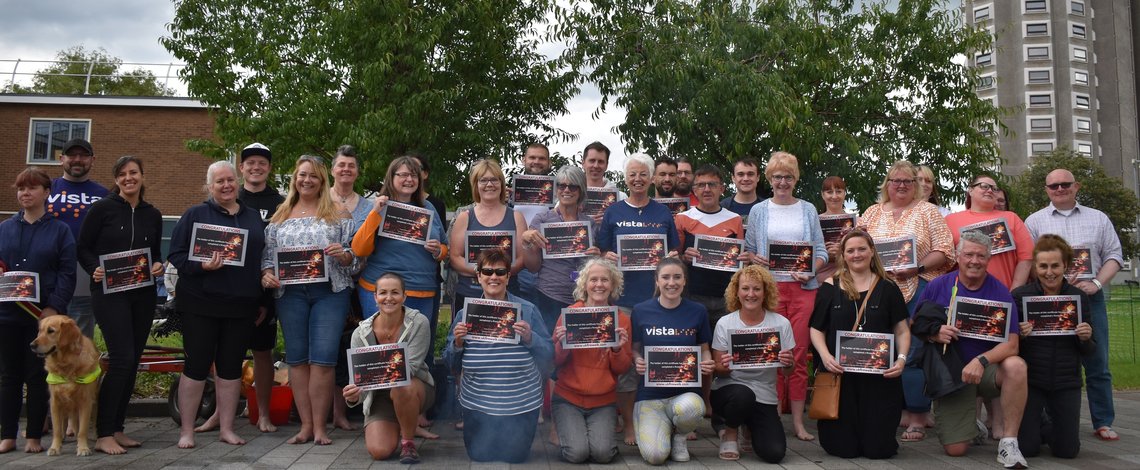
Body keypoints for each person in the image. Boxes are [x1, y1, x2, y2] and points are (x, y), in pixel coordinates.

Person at [168, 161, 267, 449]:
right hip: (201, 303)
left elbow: (258, 261)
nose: (226, 185)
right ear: (209, 186)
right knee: (196, 366)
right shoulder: (195, 214)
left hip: (241, 306)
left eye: (230, 180)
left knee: (231, 368)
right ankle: (187, 430)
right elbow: (176, 255)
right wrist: (202, 267)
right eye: (219, 181)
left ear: (238, 182)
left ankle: (226, 428)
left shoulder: (252, 217)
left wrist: (260, 300)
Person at [260, 155, 357, 446]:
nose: (307, 180)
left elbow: (356, 258)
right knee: (298, 360)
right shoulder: (279, 215)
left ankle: (320, 429)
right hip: (290, 294)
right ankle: (305, 426)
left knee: (323, 361)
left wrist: (345, 255)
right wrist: (266, 275)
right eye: (302, 175)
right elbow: (267, 257)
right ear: (294, 179)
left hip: (329, 292)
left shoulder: (338, 213)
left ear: (322, 180)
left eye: (314, 176)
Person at [913, 231, 1029, 469]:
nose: (974, 261)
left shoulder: (999, 291)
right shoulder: (938, 285)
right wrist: (935, 333)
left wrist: (982, 360)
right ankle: (971, 425)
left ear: (989, 259)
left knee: (1016, 366)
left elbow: (1013, 344)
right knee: (956, 451)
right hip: (951, 373)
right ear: (957, 256)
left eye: (981, 256)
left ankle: (1009, 443)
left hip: (986, 369)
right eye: (968, 254)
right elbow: (916, 324)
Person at [1024, 168, 1123, 441]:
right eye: (1053, 186)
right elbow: (1029, 261)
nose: (1059, 189)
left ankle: (1103, 421)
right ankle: (1048, 422)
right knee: (1047, 362)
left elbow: (1114, 255)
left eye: (1065, 184)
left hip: (1090, 297)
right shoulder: (1033, 221)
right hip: (1049, 301)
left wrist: (1097, 284)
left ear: (1076, 186)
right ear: (1046, 190)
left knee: (1097, 360)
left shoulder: (1098, 218)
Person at [859, 161, 955, 438]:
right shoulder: (872, 212)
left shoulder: (928, 211)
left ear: (916, 185)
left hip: (919, 288)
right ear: (887, 184)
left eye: (907, 181)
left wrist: (917, 267)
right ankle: (890, 409)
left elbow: (945, 250)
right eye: (895, 180)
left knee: (912, 351)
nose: (901, 185)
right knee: (879, 349)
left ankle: (917, 414)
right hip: (877, 290)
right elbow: (857, 245)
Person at [77, 155, 164, 455]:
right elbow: (83, 247)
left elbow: (154, 252)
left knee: (133, 360)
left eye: (134, 173)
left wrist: (158, 266)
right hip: (109, 293)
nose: (129, 178)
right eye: (123, 174)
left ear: (142, 176)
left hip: (142, 294)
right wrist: (93, 268)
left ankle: (117, 428)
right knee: (122, 358)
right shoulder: (101, 209)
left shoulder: (153, 214)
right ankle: (103, 434)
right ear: (116, 180)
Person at [743, 151, 828, 441]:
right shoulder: (759, 211)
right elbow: (749, 251)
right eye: (777, 177)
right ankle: (773, 419)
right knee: (773, 355)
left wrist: (811, 271)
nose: (782, 182)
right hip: (771, 290)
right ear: (770, 179)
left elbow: (821, 251)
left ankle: (798, 423)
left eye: (788, 177)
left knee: (799, 355)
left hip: (803, 289)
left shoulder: (807, 209)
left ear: (795, 179)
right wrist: (757, 260)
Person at [444, 250, 553, 463]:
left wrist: (531, 338)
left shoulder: (527, 310)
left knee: (515, 457)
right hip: (478, 402)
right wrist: (457, 343)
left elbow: (548, 354)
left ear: (508, 277)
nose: (494, 277)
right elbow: (450, 363)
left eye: (500, 272)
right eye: (487, 271)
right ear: (479, 276)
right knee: (479, 455)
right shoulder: (464, 314)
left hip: (520, 402)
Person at [809, 230, 909, 458]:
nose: (857, 254)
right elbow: (816, 329)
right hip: (841, 377)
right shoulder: (829, 286)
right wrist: (825, 357)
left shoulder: (888, 287)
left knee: (878, 450)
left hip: (879, 379)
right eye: (850, 250)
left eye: (862, 249)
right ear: (843, 255)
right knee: (843, 450)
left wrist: (901, 360)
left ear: (872, 251)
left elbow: (902, 330)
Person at [0, 167, 76, 454]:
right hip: (7, 315)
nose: (25, 193)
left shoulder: (61, 231)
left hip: (43, 319)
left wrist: (53, 307)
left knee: (37, 376)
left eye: (31, 188)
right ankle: (7, 434)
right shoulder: (4, 228)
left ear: (46, 193)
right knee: (9, 376)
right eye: (21, 188)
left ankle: (34, 436)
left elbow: (68, 273)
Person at [352, 156, 446, 358]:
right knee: (380, 356)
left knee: (416, 357)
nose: (409, 179)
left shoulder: (429, 208)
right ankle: (379, 392)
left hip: (422, 291)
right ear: (391, 177)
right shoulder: (377, 206)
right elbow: (359, 249)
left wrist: (439, 250)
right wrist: (376, 212)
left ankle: (413, 391)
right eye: (402, 174)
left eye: (413, 175)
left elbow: (445, 247)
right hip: (380, 292)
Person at [1011, 234, 1094, 458]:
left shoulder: (1078, 298)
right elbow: (1009, 348)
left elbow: (1090, 351)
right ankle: (1039, 422)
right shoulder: (1020, 296)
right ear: (1035, 267)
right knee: (1028, 449)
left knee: (1067, 452)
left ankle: (1050, 425)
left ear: (1065, 265)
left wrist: (1085, 337)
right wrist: (1020, 335)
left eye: (1055, 266)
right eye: (1043, 266)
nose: (1050, 272)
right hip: (1032, 381)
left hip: (1067, 381)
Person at [343, 273, 435, 464]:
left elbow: (410, 368)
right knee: (380, 452)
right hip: (379, 396)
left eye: (395, 292)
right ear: (375, 297)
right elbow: (358, 380)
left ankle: (408, 442)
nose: (389, 298)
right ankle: (401, 424)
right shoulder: (360, 334)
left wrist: (372, 376)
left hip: (414, 387)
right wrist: (354, 395)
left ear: (404, 296)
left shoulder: (419, 322)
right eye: (383, 293)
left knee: (402, 383)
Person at [630, 258, 715, 464]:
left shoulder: (698, 310)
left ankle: (680, 436)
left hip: (685, 393)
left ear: (685, 281)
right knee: (656, 457)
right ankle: (661, 427)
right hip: (650, 396)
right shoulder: (641, 310)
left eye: (677, 277)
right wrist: (638, 360)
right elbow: (634, 349)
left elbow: (704, 349)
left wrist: (707, 362)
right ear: (657, 281)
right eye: (665, 277)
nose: (672, 282)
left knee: (692, 409)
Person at [550, 258, 632, 463]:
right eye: (593, 279)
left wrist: (616, 348)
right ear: (584, 284)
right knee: (576, 454)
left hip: (603, 401)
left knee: (603, 455)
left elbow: (622, 368)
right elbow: (554, 362)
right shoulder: (570, 314)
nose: (599, 285)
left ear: (612, 285)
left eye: (605, 280)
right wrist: (561, 343)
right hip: (568, 399)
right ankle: (570, 431)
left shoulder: (621, 320)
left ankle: (591, 434)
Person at [709, 265, 793, 463]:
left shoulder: (781, 323)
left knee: (774, 453)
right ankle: (729, 432)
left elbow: (789, 371)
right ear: (737, 292)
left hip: (765, 394)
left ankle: (748, 426)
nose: (751, 294)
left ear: (766, 292)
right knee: (743, 395)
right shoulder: (725, 323)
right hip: (730, 391)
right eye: (745, 288)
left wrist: (788, 363)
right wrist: (724, 365)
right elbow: (718, 371)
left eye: (757, 289)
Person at [234, 142, 285, 434]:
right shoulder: (229, 196)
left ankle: (262, 412)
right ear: (242, 167)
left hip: (266, 291)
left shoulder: (280, 203)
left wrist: (266, 298)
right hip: (229, 291)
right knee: (226, 352)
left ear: (269, 168)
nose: (256, 167)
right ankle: (221, 411)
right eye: (250, 162)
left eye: (262, 163)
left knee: (263, 352)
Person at [596, 153, 681, 310]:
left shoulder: (663, 212)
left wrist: (673, 257)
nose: (638, 179)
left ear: (651, 178)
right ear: (625, 178)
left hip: (658, 298)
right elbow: (601, 252)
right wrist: (605, 256)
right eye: (632, 174)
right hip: (621, 298)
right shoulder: (613, 211)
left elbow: (674, 251)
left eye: (643, 174)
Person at [521, 165, 601, 328]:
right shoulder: (542, 219)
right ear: (556, 189)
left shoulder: (590, 224)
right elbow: (533, 267)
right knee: (553, 347)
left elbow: (594, 265)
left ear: (581, 191)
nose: (567, 190)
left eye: (573, 186)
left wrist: (596, 256)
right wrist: (527, 244)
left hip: (582, 296)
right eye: (562, 186)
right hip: (549, 295)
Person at [448, 159, 527, 316]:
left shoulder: (516, 217)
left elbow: (522, 258)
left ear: (501, 183)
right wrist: (484, 272)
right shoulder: (465, 217)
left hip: (507, 294)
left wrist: (498, 275)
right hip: (469, 293)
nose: (489, 184)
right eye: (483, 180)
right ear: (476, 185)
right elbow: (455, 257)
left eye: (494, 179)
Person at [47, 138, 108, 339]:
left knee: (79, 342)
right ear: (62, 158)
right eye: (72, 155)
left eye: (83, 155)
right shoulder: (47, 189)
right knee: (46, 340)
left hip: (86, 282)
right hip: (50, 282)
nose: (78, 160)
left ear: (93, 160)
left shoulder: (104, 195)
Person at [945, 174, 1033, 290]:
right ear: (970, 190)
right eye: (984, 186)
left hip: (1003, 294)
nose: (990, 190)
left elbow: (1026, 258)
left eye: (994, 188)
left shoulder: (1012, 218)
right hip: (961, 296)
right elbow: (944, 259)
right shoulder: (950, 220)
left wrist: (1014, 292)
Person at [331, 145, 372, 230]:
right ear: (332, 171)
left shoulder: (368, 207)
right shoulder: (318, 200)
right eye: (341, 165)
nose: (346, 169)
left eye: (351, 166)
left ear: (357, 173)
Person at [816, 175, 849, 282]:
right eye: (829, 192)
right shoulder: (814, 222)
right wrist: (823, 253)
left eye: (838, 191)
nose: (834, 196)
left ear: (845, 193)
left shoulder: (857, 221)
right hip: (820, 282)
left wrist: (842, 252)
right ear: (822, 195)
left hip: (849, 281)